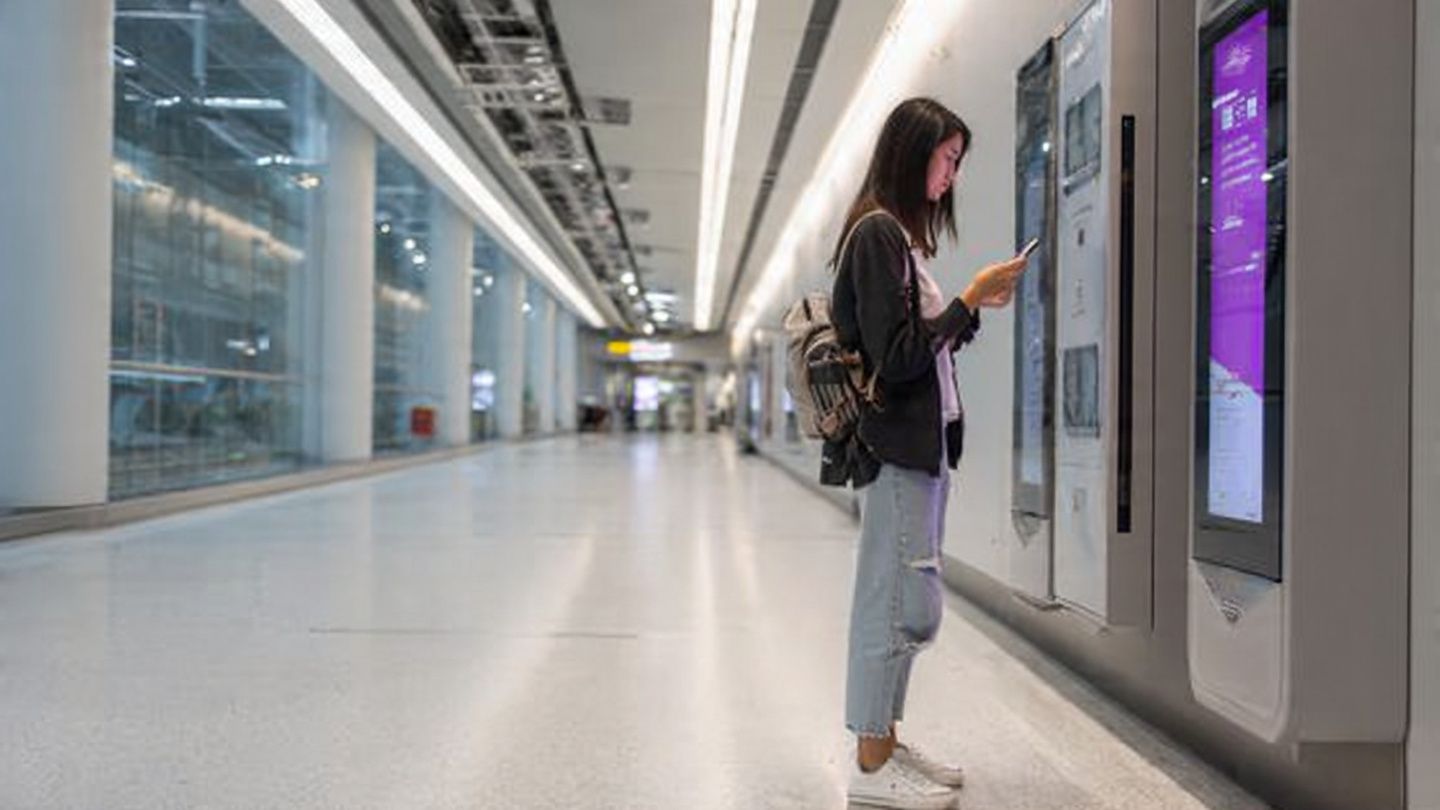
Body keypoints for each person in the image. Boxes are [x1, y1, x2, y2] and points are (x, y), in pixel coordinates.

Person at [823, 97, 1027, 809]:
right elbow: (902, 356)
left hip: (922, 451)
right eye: (947, 159)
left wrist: (968, 311)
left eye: (957, 163)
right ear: (914, 155)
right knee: (896, 604)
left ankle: (885, 740)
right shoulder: (877, 234)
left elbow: (919, 349)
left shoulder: (896, 241)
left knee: (905, 598)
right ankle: (872, 766)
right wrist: (967, 297)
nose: (951, 176)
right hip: (898, 450)